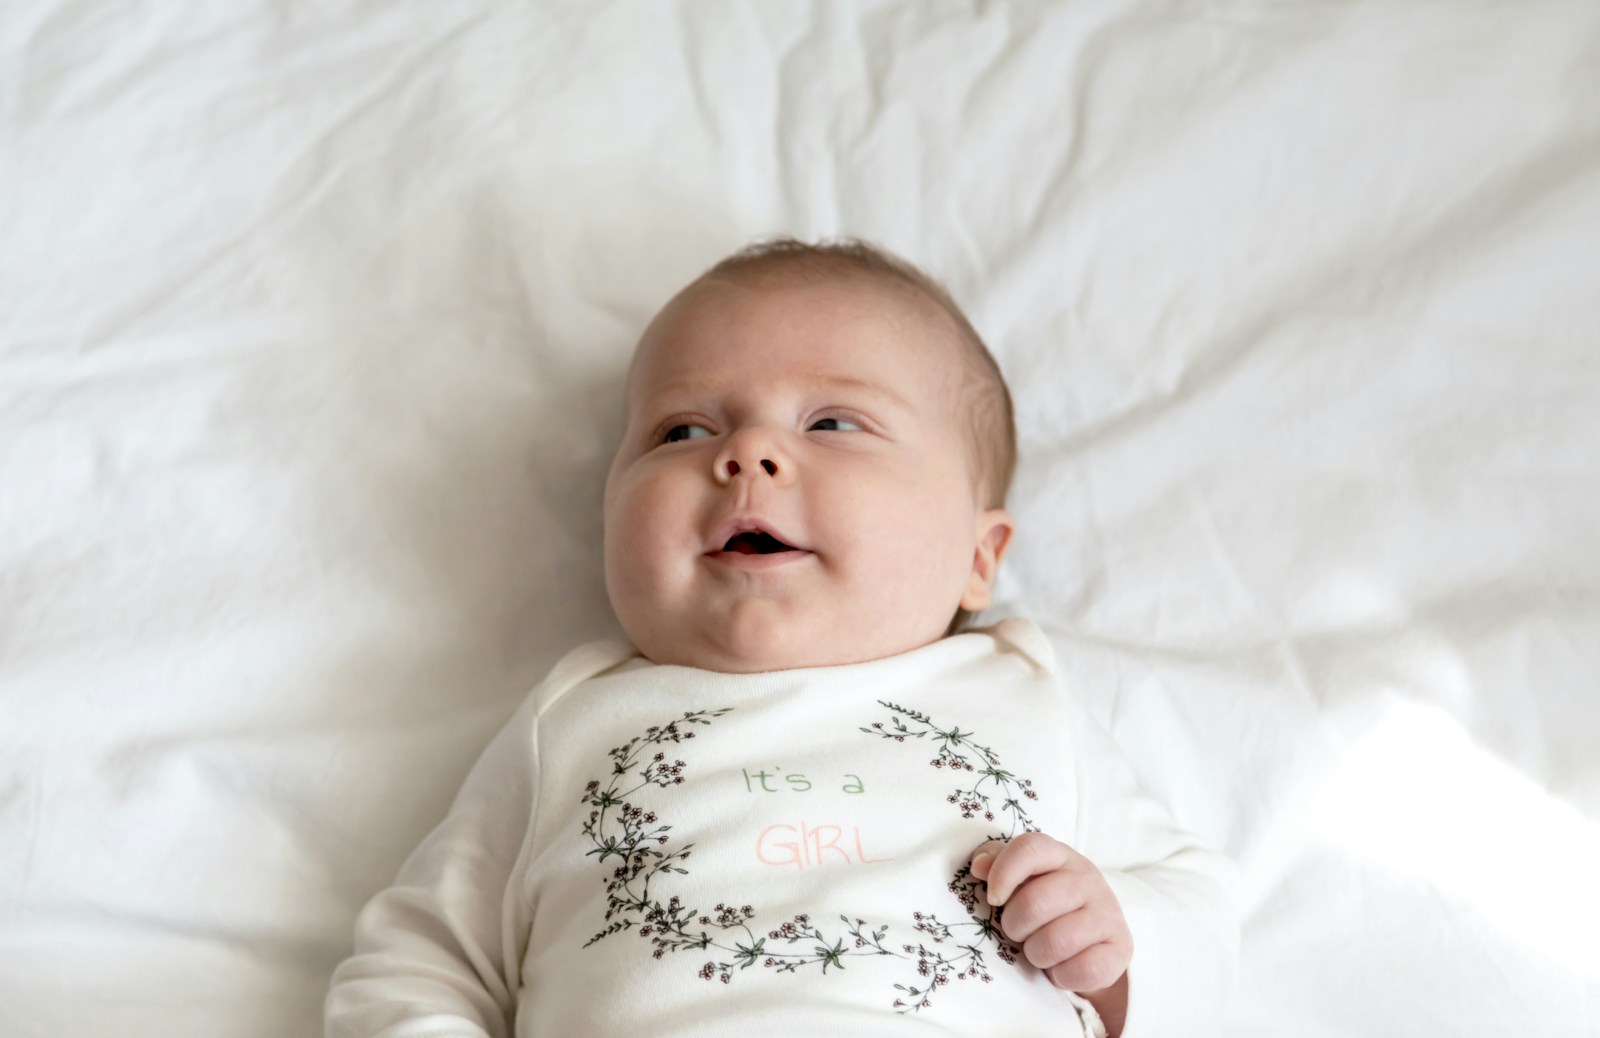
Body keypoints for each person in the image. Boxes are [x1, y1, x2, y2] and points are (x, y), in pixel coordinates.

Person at [325, 238, 1237, 1037]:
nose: (748, 453)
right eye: (683, 429)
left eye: (833, 422)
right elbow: (419, 962)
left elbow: (1205, 923)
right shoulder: (574, 723)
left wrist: (1115, 948)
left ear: (978, 555)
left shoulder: (1020, 697)